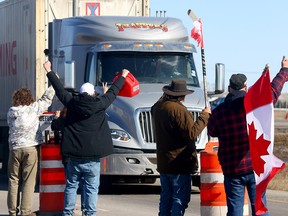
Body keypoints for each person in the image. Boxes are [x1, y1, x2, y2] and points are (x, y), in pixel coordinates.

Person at [43, 60, 130, 216]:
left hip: (74, 156)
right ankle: (89, 213)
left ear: (80, 94)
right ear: (93, 94)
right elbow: (113, 92)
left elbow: (60, 90)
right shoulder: (101, 103)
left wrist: (49, 71)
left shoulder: (71, 103)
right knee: (91, 187)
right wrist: (123, 75)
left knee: (71, 186)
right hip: (93, 157)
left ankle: (68, 213)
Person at [207, 56, 288, 216]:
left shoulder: (219, 111)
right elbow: (273, 91)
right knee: (259, 208)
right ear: (245, 87)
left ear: (229, 88)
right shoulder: (253, 105)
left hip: (232, 170)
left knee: (235, 211)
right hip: (255, 167)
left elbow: (212, 132)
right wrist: (284, 70)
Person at [151, 79, 211, 216]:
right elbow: (192, 133)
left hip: (164, 161)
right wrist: (205, 115)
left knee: (166, 197)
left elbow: (156, 104)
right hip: (178, 162)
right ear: (182, 95)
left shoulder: (158, 107)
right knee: (180, 198)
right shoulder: (179, 110)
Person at [7, 85, 55, 216]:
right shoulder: (33, 109)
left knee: (13, 180)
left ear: (16, 99)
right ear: (29, 99)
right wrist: (53, 84)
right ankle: (25, 211)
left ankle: (12, 212)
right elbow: (46, 99)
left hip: (14, 149)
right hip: (30, 148)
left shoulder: (11, 112)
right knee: (28, 180)